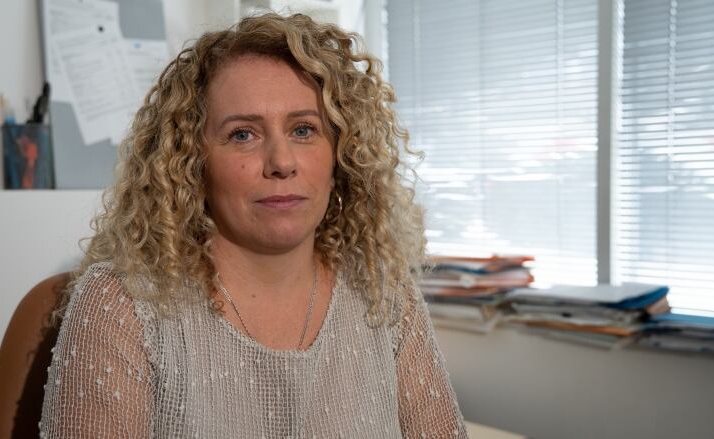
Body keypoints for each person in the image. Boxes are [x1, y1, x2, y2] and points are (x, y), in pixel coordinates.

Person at [39, 12, 469, 438]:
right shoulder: (123, 305)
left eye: (304, 129)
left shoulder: (384, 293)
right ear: (192, 163)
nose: (281, 163)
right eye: (243, 134)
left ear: (340, 154)